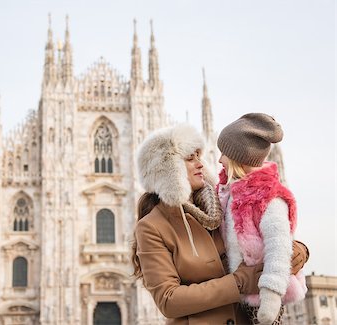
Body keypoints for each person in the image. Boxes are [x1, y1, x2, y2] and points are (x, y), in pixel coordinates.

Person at [131, 122, 308, 325]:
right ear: (167, 171)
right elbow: (169, 300)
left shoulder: (222, 204)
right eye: (190, 158)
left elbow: (270, 237)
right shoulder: (152, 227)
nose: (201, 163)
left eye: (199, 156)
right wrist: (241, 282)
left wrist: (299, 252)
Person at [216, 113, 307, 324]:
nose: (219, 159)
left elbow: (279, 249)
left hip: (262, 298)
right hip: (239, 292)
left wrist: (271, 296)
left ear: (239, 158)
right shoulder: (229, 193)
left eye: (224, 153)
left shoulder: (268, 199)